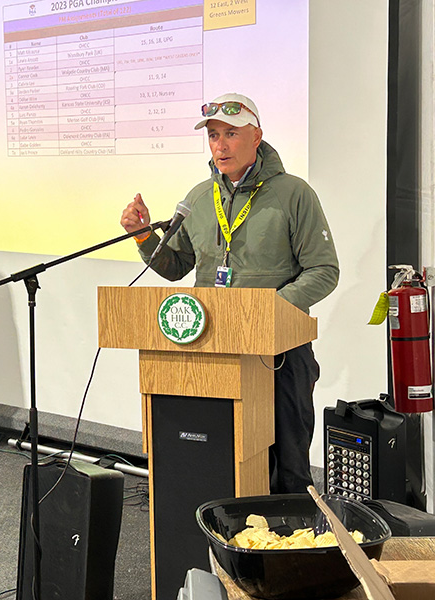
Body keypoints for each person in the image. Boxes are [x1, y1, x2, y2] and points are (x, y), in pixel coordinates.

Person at [120, 93, 339, 493]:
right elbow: (175, 267)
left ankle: (292, 548)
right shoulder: (200, 199)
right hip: (213, 353)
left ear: (256, 136)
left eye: (231, 134)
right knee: (221, 461)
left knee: (287, 469)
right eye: (214, 135)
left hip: (281, 355)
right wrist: (143, 237)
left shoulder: (293, 194)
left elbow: (324, 270)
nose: (220, 145)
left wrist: (270, 311)